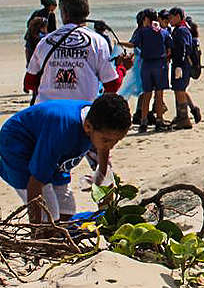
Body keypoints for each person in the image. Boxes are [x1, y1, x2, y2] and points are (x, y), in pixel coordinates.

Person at [0, 94, 131, 227]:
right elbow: (35, 184)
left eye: (117, 141)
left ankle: (56, 231)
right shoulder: (63, 133)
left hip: (50, 147)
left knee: (66, 211)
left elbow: (103, 161)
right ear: (87, 127)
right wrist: (37, 229)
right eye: (107, 141)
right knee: (49, 216)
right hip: (17, 146)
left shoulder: (100, 122)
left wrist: (103, 200)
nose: (111, 146)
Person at [24, 0, 120, 105]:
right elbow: (112, 85)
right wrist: (122, 68)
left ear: (64, 13)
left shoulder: (46, 42)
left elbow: (29, 82)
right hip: (81, 111)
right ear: (87, 12)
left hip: (48, 110)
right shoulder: (98, 41)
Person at [129, 8, 172, 132]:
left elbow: (133, 44)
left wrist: (120, 43)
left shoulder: (142, 32)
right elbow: (169, 48)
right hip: (160, 65)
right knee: (159, 95)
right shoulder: (163, 32)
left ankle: (143, 122)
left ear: (146, 19)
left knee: (147, 94)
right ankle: (159, 120)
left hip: (146, 65)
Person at [167, 7, 196, 130]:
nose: (169, 20)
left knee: (179, 90)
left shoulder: (182, 30)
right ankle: (180, 116)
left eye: (171, 17)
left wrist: (179, 65)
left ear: (178, 16)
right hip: (180, 63)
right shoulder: (180, 29)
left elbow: (184, 48)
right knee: (178, 89)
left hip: (181, 65)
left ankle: (184, 118)